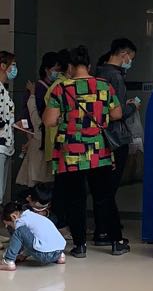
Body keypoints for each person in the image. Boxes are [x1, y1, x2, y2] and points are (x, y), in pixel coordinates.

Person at [44, 45, 129, 258]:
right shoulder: (104, 85)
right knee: (105, 197)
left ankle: (80, 245)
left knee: (75, 199)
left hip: (71, 152)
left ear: (70, 67)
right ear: (89, 66)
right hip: (99, 152)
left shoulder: (61, 88)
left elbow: (49, 120)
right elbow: (117, 114)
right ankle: (117, 242)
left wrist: (65, 118)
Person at [92, 38, 139, 245]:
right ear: (124, 53)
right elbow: (116, 113)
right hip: (115, 138)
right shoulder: (116, 77)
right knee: (109, 189)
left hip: (97, 137)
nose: (130, 62)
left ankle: (101, 230)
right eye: (131, 57)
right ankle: (109, 233)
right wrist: (133, 107)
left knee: (100, 187)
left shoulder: (98, 73)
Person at [15, 53, 60, 192]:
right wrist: (30, 137)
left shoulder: (48, 88)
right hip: (39, 140)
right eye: (56, 69)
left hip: (42, 141)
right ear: (47, 69)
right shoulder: (40, 89)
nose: (58, 73)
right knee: (39, 182)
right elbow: (29, 117)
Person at [1, 199, 66, 271]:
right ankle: (61, 257)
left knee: (19, 231)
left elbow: (20, 244)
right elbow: (33, 239)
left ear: (13, 216)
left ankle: (8, 261)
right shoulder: (34, 216)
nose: (8, 227)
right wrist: (24, 255)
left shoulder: (20, 221)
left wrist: (8, 255)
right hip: (59, 252)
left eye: (9, 225)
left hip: (45, 256)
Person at [0, 50, 17, 203]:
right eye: (13, 65)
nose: (14, 69)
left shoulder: (3, 89)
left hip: (5, 145)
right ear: (3, 66)